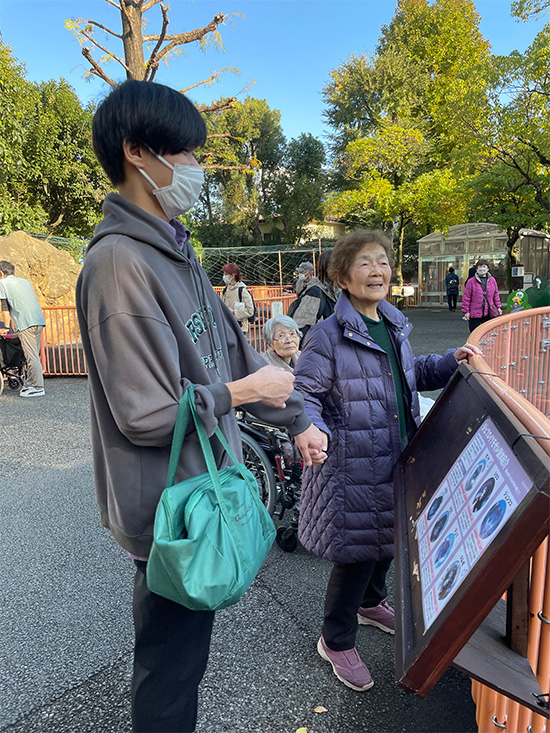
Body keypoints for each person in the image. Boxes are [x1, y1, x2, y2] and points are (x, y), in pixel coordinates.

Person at [75, 79, 327, 733]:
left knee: (183, 657)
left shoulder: (176, 250)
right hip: (168, 506)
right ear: (137, 151)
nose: (192, 168)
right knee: (170, 667)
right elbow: (144, 414)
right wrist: (247, 394)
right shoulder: (116, 263)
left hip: (202, 491)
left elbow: (233, 352)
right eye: (183, 154)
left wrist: (295, 419)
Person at [293, 229, 480, 692]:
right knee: (356, 553)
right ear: (341, 275)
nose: (377, 271)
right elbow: (304, 393)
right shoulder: (327, 335)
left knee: (389, 540)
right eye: (364, 263)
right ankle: (335, 641)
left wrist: (450, 361)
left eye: (382, 261)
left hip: (397, 454)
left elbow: (406, 375)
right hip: (352, 464)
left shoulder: (393, 323)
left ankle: (371, 602)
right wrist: (309, 427)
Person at [0, 261, 46, 397]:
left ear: (1, 273)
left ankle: (38, 387)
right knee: (32, 354)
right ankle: (29, 384)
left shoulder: (2, 284)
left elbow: (5, 309)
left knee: (31, 357)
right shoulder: (25, 282)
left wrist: (6, 327)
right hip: (38, 320)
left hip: (26, 323)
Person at [287, 261, 330, 341]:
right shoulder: (300, 283)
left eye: (302, 272)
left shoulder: (315, 289)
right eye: (299, 272)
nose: (300, 274)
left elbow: (306, 316)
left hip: (312, 324)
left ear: (309, 273)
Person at [461, 259, 502, 333]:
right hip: (474, 313)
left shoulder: (492, 280)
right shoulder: (471, 281)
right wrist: (466, 311)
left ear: (488, 268)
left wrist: (498, 307)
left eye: (484, 266)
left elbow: (496, 295)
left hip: (488, 312)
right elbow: (466, 297)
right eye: (480, 266)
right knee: (474, 334)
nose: (482, 268)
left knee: (487, 334)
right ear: (476, 269)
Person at [220, 263, 254, 338]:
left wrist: (234, 312)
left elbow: (250, 311)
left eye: (226, 274)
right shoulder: (225, 290)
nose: (224, 276)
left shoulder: (242, 291)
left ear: (232, 276)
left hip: (239, 328)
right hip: (227, 327)